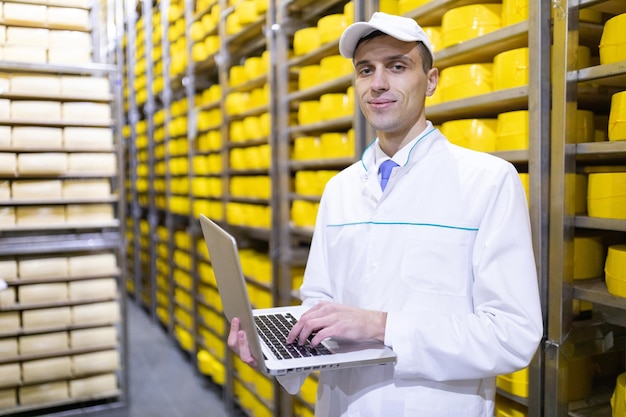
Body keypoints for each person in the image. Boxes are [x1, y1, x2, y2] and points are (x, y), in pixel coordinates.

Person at [228, 11, 543, 417]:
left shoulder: (488, 181)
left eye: (397, 66)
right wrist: (280, 353)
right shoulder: (340, 189)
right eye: (365, 70)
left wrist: (381, 326)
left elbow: (512, 335)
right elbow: (319, 303)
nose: (377, 83)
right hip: (341, 406)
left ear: (430, 81)